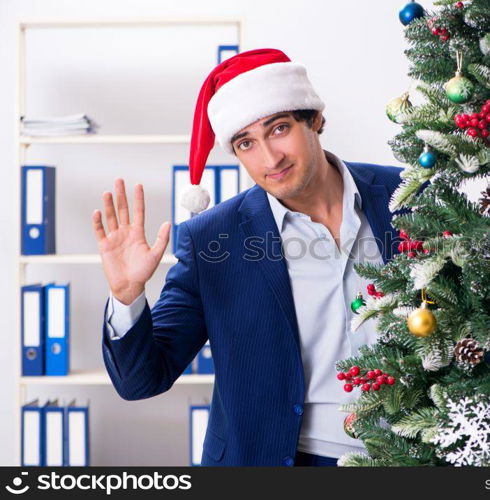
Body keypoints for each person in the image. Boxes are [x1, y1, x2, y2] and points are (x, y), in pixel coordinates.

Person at [92, 48, 404, 466]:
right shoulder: (212, 240)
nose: (269, 159)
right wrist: (127, 294)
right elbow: (141, 381)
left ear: (314, 119)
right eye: (246, 143)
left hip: (413, 454)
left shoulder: (406, 195)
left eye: (278, 129)